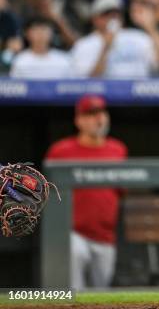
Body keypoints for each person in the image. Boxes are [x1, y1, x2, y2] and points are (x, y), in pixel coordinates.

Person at [45, 94, 127, 290]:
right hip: (73, 233)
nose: (98, 118)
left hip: (106, 235)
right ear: (78, 120)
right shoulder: (61, 150)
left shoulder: (117, 149)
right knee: (74, 291)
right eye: (90, 114)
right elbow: (46, 191)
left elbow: (121, 191)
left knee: (101, 293)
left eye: (101, 113)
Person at [71, 0, 159, 78]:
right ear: (95, 18)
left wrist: (151, 28)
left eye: (116, 12)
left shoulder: (138, 37)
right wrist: (105, 48)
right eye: (106, 13)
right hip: (106, 100)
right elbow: (87, 86)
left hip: (140, 99)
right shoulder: (84, 45)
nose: (113, 17)